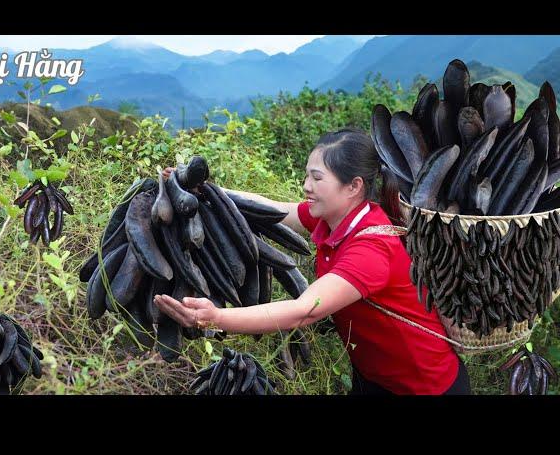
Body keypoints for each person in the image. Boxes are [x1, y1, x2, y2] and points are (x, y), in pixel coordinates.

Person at [154, 128, 471, 395]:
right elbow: (277, 209)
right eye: (307, 175)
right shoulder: (334, 216)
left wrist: (216, 318)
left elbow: (304, 310)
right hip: (374, 375)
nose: (307, 185)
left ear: (353, 186)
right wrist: (207, 189)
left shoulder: (372, 249)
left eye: (317, 178)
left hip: (424, 383)